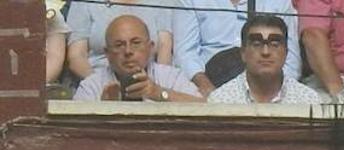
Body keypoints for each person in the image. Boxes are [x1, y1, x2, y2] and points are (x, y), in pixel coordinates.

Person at [173, 0, 301, 97]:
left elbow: (291, 60)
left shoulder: (279, 2)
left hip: (266, 85)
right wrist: (207, 88)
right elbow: (185, 52)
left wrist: (274, 93)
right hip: (206, 82)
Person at [73, 15, 203, 102]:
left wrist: (158, 93)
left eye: (136, 43)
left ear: (150, 47)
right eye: (119, 45)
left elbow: (203, 107)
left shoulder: (170, 76)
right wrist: (103, 109)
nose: (128, 51)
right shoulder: (91, 85)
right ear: (107, 53)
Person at [208, 14, 323, 103]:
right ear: (243, 53)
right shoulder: (220, 100)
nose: (265, 52)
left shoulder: (308, 100)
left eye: (274, 44)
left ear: (286, 53)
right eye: (257, 44)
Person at [66, 0, 172, 80]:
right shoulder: (83, 3)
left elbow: (164, 47)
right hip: (96, 82)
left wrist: (154, 87)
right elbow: (76, 56)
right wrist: (100, 85)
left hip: (149, 83)